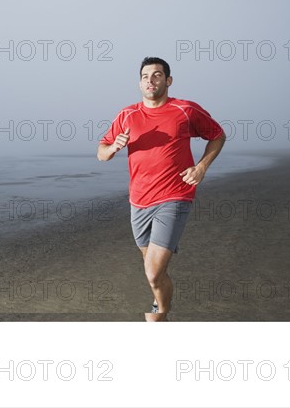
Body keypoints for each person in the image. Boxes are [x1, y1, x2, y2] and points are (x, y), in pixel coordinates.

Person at [97, 57, 226, 321]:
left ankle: (159, 315)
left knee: (153, 273)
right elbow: (102, 153)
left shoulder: (185, 110)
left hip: (175, 195)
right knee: (153, 271)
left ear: (168, 80)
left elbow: (217, 135)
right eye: (145, 76)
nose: (150, 80)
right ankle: (161, 309)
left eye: (157, 75)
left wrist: (201, 167)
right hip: (139, 201)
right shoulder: (127, 115)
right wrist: (114, 147)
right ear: (139, 83)